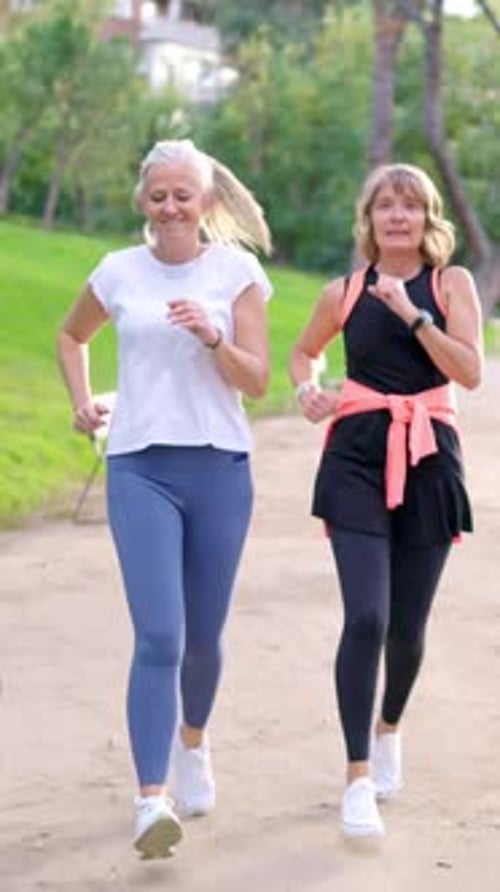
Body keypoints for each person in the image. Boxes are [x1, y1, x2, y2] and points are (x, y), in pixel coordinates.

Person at [57, 139, 273, 859]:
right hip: (139, 468)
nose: (171, 206)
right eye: (159, 195)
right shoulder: (118, 271)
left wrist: (214, 336)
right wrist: (84, 403)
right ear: (143, 202)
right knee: (160, 638)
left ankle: (194, 743)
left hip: (219, 469)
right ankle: (151, 800)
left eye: (185, 194)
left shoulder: (236, 272)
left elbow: (256, 381)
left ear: (206, 202)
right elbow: (71, 334)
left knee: (203, 640)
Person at [289, 162, 483, 840]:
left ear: (428, 219)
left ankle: (390, 724)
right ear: (368, 221)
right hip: (355, 456)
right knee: (366, 617)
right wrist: (307, 389)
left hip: (430, 456)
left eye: (409, 205)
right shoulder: (342, 291)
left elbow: (470, 372)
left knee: (406, 629)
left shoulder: (450, 284)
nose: (396, 216)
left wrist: (416, 315)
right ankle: (357, 778)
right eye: (384, 206)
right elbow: (304, 353)